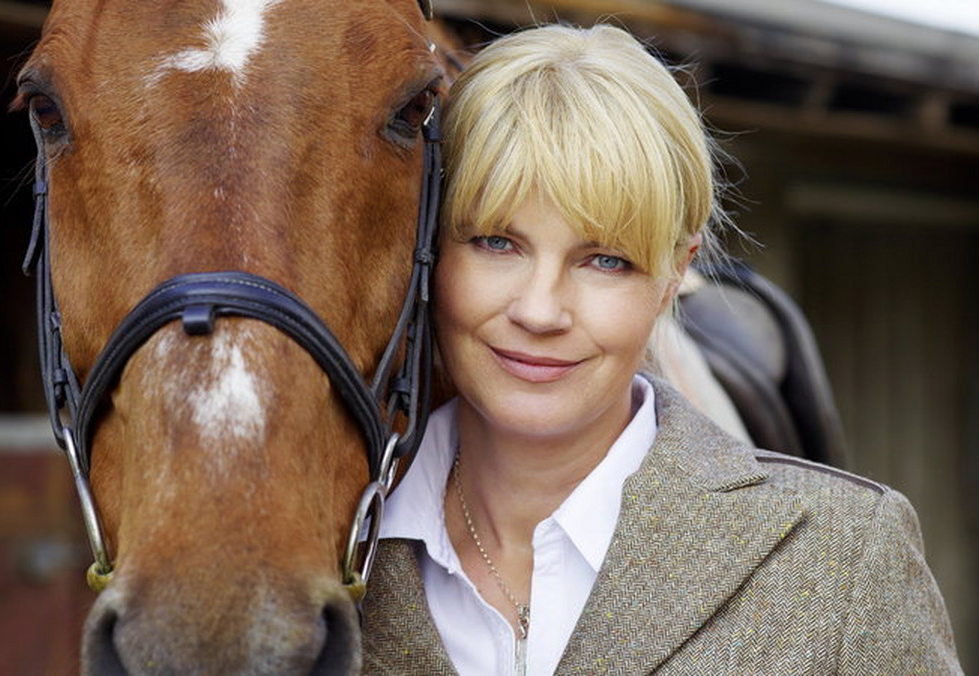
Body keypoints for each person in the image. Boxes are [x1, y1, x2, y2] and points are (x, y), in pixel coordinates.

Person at [361, 23, 962, 675]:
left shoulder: (845, 557)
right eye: (496, 243)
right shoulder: (317, 553)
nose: (539, 311)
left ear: (678, 270)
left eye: (606, 260)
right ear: (431, 248)